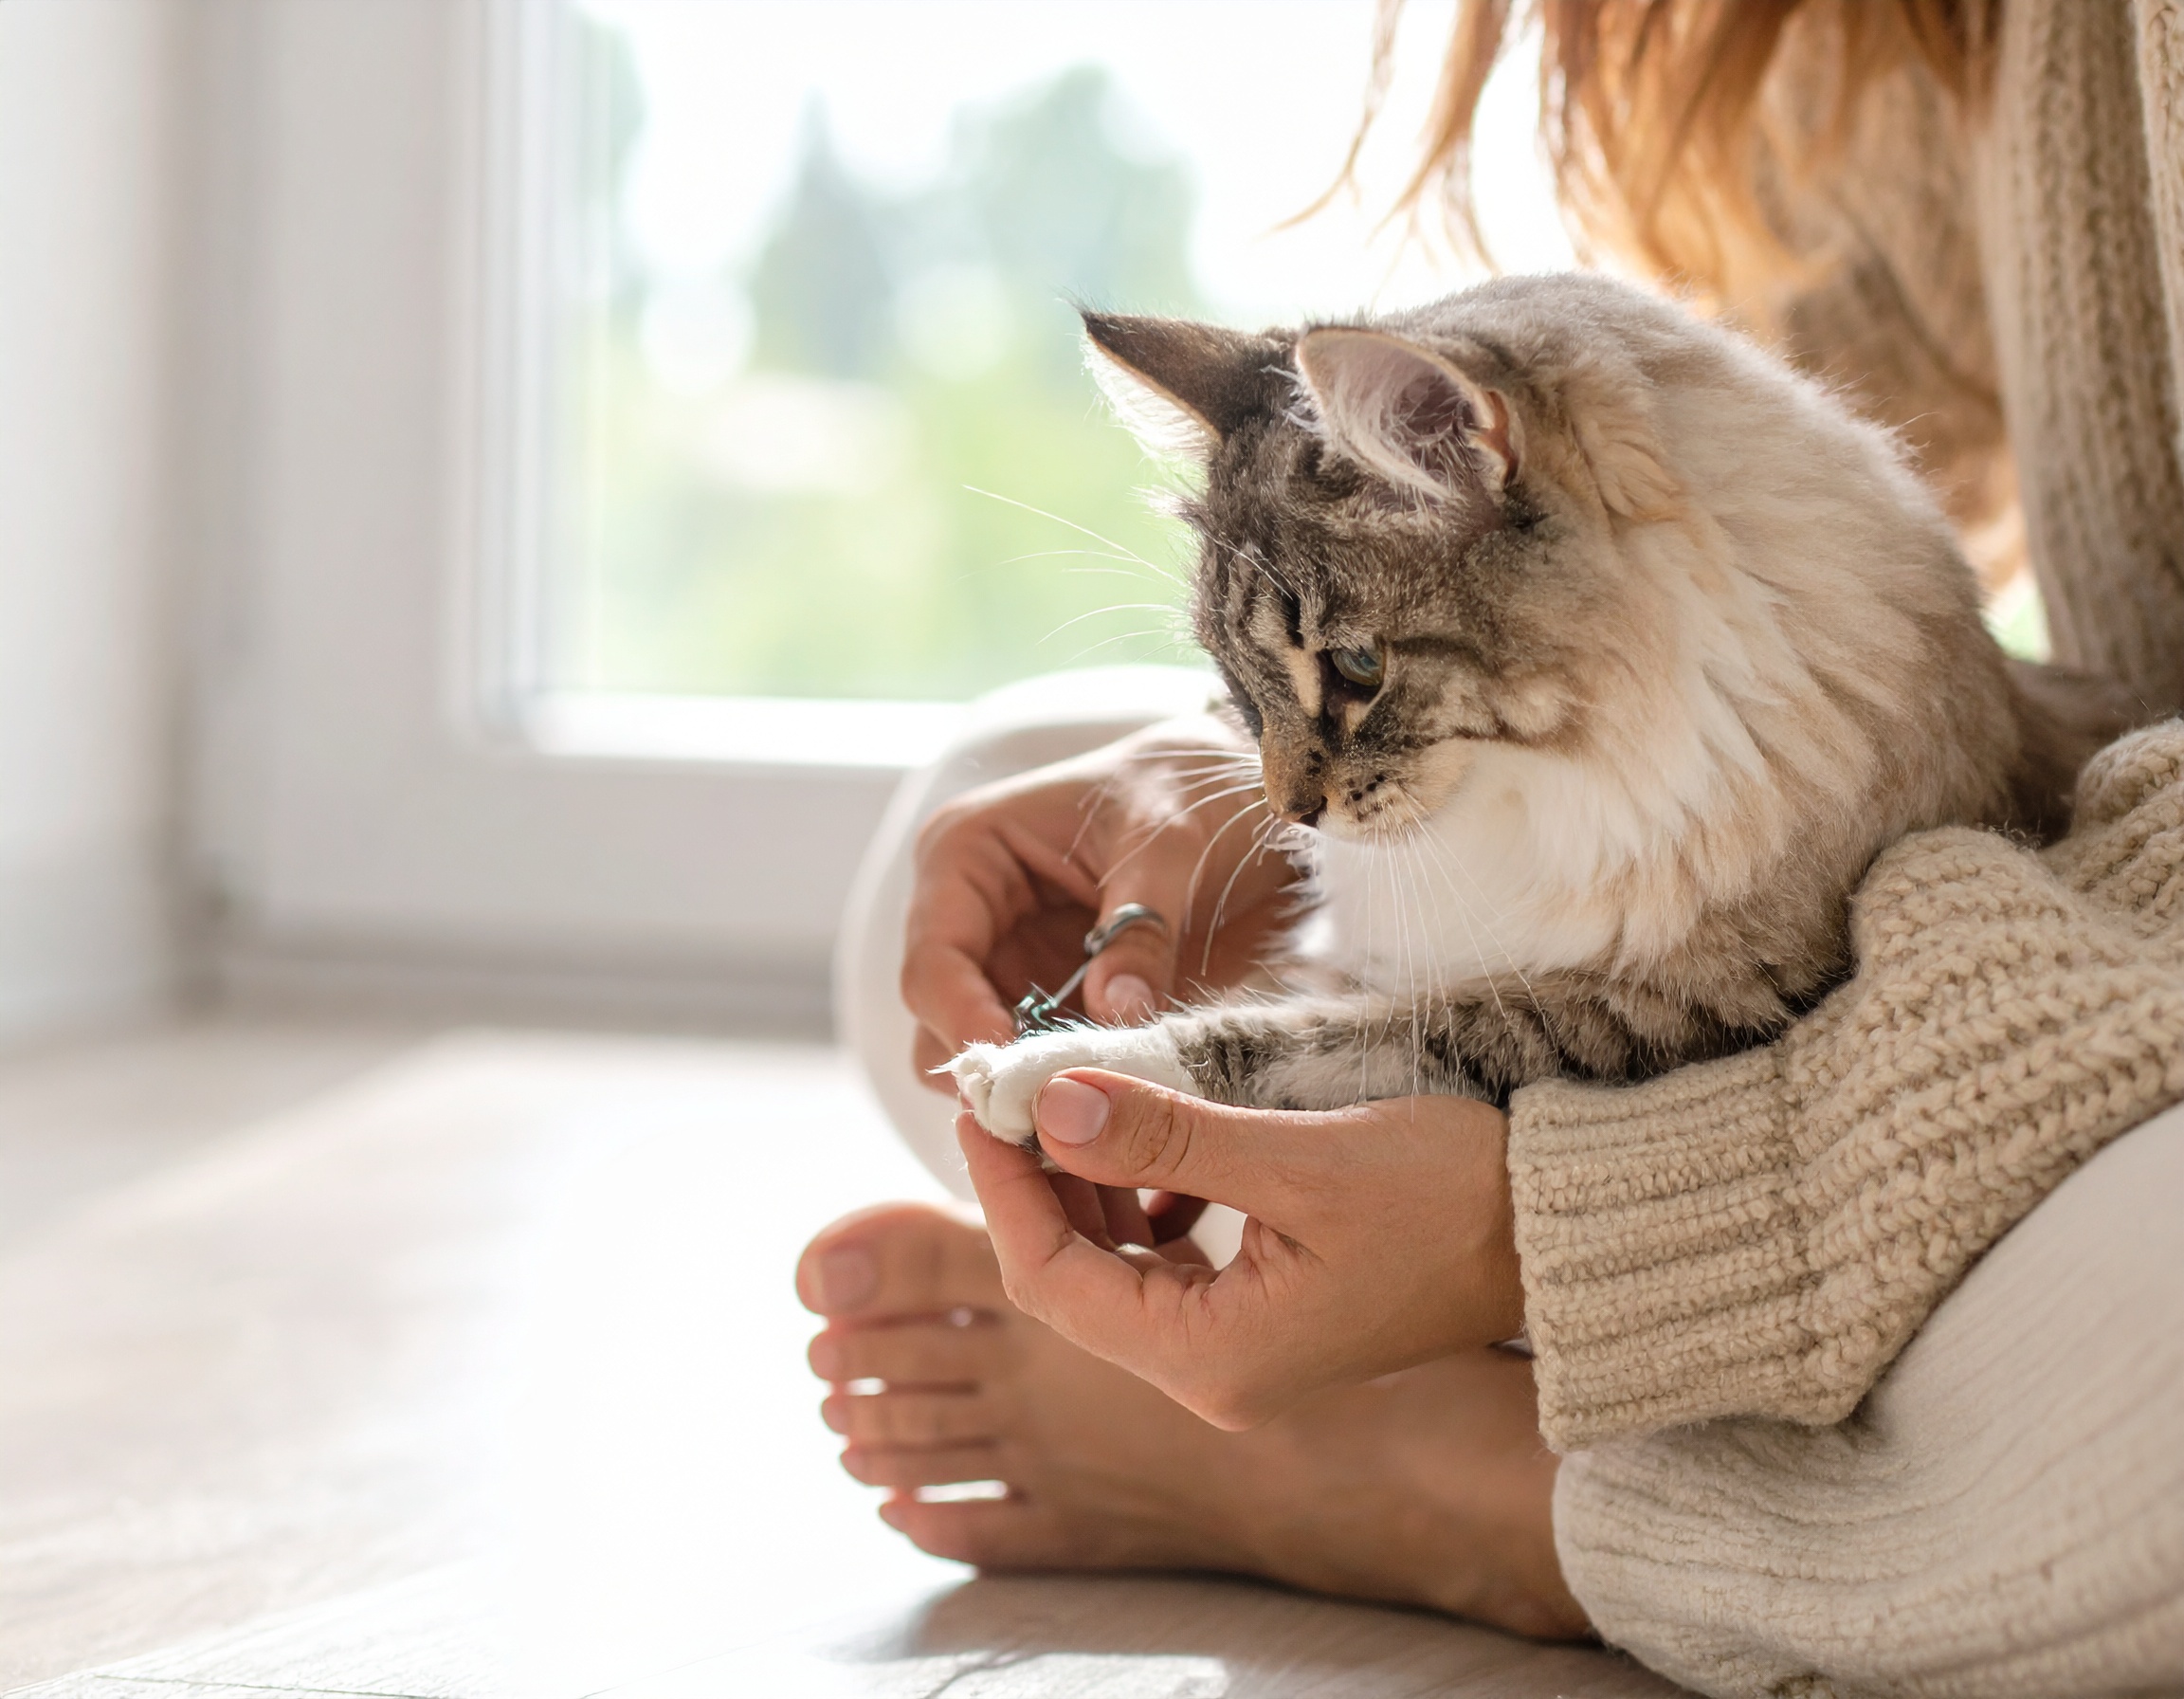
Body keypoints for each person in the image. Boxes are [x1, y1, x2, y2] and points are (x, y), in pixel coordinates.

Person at [799, 2, 2184, 1691]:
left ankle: (1479, 1485)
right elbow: (1756, 438)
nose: (1294, 788)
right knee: (983, 813)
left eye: (1329, 714)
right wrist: (1218, 763)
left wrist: (1541, 1225)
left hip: (2104, 983)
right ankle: (1561, 1367)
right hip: (1664, 709)